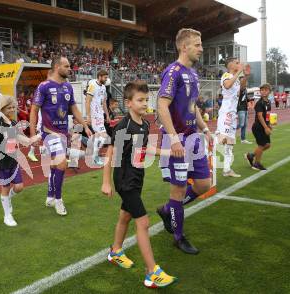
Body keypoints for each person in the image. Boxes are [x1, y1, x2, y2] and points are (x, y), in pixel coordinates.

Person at [102, 81, 177, 289]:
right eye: (140, 100)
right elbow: (111, 155)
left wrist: (169, 152)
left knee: (125, 215)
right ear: (129, 103)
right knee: (142, 222)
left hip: (137, 177)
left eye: (146, 99)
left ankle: (116, 251)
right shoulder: (123, 127)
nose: (145, 103)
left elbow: (144, 149)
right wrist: (107, 182)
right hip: (124, 180)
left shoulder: (144, 124)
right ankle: (151, 272)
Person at [156, 28, 212, 255]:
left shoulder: (194, 74)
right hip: (176, 140)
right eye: (197, 44)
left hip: (194, 138)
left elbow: (193, 107)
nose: (201, 48)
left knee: (203, 185)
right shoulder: (173, 72)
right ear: (184, 47)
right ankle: (179, 238)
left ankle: (168, 210)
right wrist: (173, 139)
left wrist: (205, 128)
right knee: (178, 189)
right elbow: (161, 105)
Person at [30, 56, 92, 216]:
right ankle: (59, 200)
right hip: (49, 133)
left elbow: (74, 109)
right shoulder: (43, 86)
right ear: (57, 67)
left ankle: (50, 196)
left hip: (64, 133)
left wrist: (85, 126)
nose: (70, 68)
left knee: (54, 165)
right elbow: (34, 110)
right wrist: (32, 135)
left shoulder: (67, 87)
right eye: (67, 66)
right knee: (62, 163)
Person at [0, 95, 40, 226]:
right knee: (5, 188)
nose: (12, 110)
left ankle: (7, 198)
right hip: (2, 163)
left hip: (14, 160)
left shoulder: (14, 124)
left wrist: (33, 141)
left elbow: (22, 139)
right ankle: (7, 215)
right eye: (9, 108)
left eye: (13, 107)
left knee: (19, 187)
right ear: (2, 109)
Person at [216, 57, 244, 177]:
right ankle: (201, 151)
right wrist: (239, 72)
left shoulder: (236, 79)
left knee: (230, 143)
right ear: (230, 65)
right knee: (221, 140)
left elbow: (239, 91)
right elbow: (227, 86)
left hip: (233, 114)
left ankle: (227, 170)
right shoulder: (226, 75)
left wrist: (245, 76)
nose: (239, 64)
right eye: (237, 63)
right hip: (226, 112)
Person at [245, 84, 273, 171]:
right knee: (261, 145)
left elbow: (267, 114)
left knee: (267, 145)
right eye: (262, 90)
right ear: (260, 91)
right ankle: (257, 163)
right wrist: (265, 127)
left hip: (264, 126)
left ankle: (251, 155)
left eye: (266, 90)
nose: (264, 91)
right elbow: (260, 116)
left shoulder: (268, 102)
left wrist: (269, 125)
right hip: (258, 127)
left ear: (269, 91)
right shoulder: (259, 103)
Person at [85, 69, 110, 165]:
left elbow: (104, 103)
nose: (106, 79)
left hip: (100, 114)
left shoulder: (103, 88)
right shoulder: (92, 86)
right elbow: (88, 101)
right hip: (94, 115)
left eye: (107, 77)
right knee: (103, 136)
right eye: (105, 77)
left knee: (98, 136)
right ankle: (95, 156)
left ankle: (93, 154)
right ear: (99, 76)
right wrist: (88, 116)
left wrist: (107, 115)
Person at [237, 78, 252, 144]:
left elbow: (246, 98)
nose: (246, 83)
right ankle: (230, 129)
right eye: (244, 81)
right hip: (241, 109)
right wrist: (245, 77)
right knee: (241, 124)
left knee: (244, 125)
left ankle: (243, 139)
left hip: (245, 109)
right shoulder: (240, 88)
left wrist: (249, 101)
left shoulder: (245, 89)